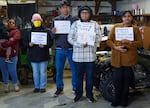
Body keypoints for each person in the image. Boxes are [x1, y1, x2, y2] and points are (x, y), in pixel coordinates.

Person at [106, 10, 143, 107]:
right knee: (117, 80)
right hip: (117, 58)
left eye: (129, 16)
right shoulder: (116, 27)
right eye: (125, 16)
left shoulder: (135, 29)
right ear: (122, 18)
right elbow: (109, 40)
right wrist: (115, 47)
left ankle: (124, 100)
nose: (127, 18)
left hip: (129, 58)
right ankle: (116, 99)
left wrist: (131, 42)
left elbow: (140, 43)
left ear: (131, 18)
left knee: (126, 81)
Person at [68, 6, 101, 103]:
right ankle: (78, 94)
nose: (85, 14)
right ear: (80, 14)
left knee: (90, 77)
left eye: (87, 12)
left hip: (90, 56)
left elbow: (99, 38)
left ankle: (89, 94)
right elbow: (70, 38)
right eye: (83, 13)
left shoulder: (94, 24)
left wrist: (91, 40)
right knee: (78, 77)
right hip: (78, 56)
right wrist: (79, 44)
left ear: (90, 14)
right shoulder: (75, 24)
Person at [50, 0, 78, 96]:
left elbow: (78, 34)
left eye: (66, 7)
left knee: (74, 69)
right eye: (62, 7)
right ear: (60, 9)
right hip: (59, 49)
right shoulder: (55, 20)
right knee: (59, 70)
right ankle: (59, 88)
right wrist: (53, 32)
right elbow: (52, 37)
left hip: (72, 49)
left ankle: (75, 88)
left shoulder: (75, 20)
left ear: (69, 8)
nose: (64, 9)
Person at [26, 13, 53, 93]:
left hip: (43, 55)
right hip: (33, 55)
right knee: (35, 72)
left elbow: (50, 43)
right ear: (32, 21)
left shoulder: (46, 31)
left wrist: (45, 46)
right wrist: (29, 44)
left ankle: (42, 87)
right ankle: (36, 86)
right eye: (35, 20)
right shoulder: (29, 32)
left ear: (41, 21)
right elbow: (24, 43)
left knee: (43, 72)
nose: (36, 21)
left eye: (38, 20)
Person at [0, 19, 21, 93]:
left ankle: (15, 84)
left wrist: (3, 44)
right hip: (2, 55)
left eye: (13, 23)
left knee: (12, 70)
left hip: (12, 55)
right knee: (4, 71)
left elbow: (14, 40)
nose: (11, 24)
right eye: (10, 22)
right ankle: (6, 85)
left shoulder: (16, 31)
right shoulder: (4, 30)